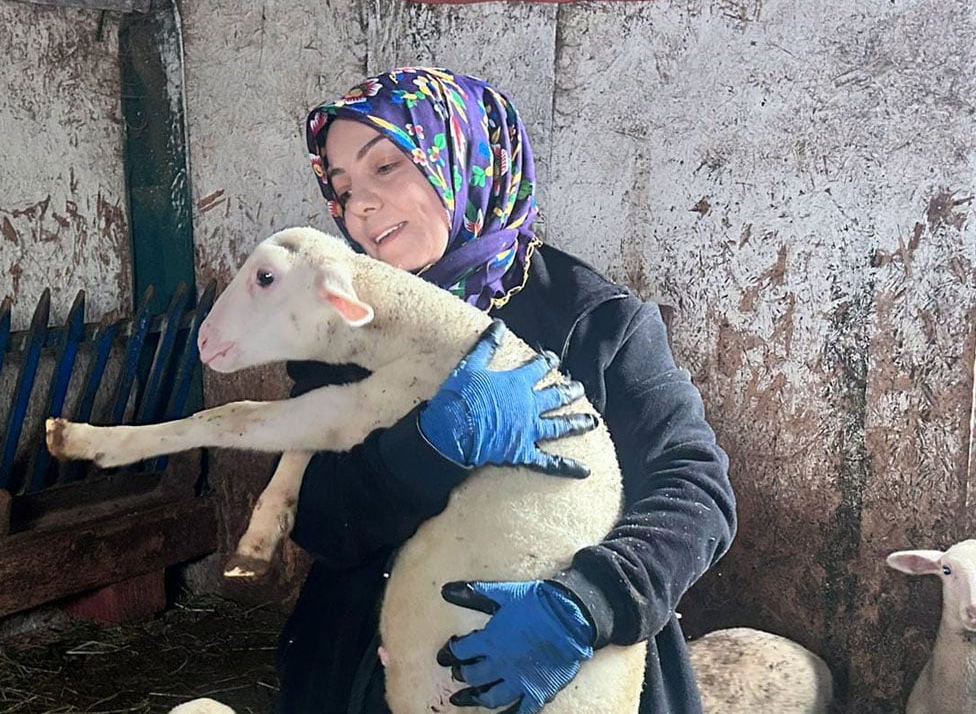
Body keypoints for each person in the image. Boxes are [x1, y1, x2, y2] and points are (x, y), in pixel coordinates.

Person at [276, 67, 736, 714]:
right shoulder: (344, 330)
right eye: (343, 187)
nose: (361, 206)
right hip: (373, 669)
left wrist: (588, 605)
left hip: (564, 669)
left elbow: (694, 489)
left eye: (386, 167)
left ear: (465, 156)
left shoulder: (595, 322)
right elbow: (316, 516)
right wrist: (424, 449)